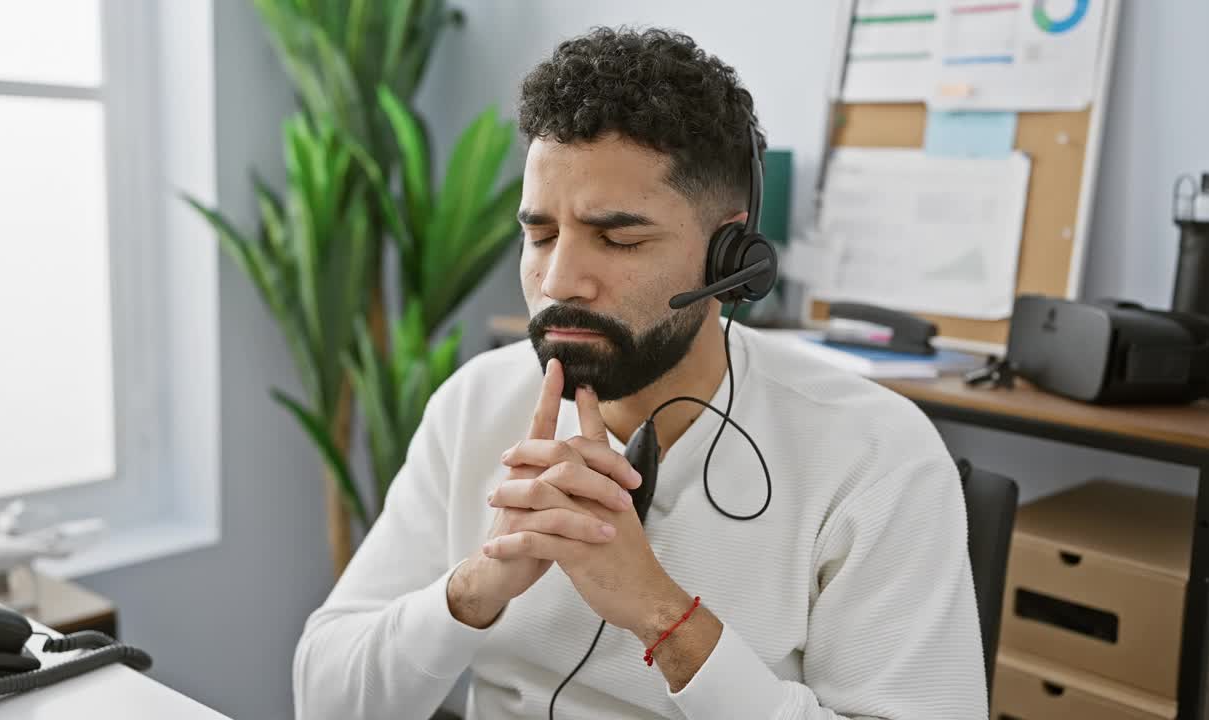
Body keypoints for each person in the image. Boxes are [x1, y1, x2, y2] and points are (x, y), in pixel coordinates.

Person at [293, 26, 987, 720]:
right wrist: (472, 589)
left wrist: (665, 617)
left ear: (729, 257)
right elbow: (324, 701)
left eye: (619, 239)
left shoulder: (874, 456)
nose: (560, 280)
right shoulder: (477, 403)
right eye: (540, 235)